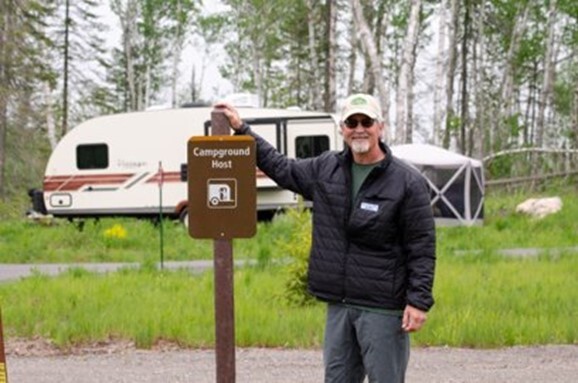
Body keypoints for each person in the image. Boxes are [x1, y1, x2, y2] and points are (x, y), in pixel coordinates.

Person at [215, 93, 436, 383]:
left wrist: (418, 301)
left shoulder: (407, 181)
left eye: (366, 121)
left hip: (382, 308)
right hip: (340, 305)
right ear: (342, 129)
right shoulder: (326, 168)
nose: (359, 128)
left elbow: (421, 246)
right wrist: (243, 130)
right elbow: (282, 168)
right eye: (351, 122)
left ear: (380, 127)